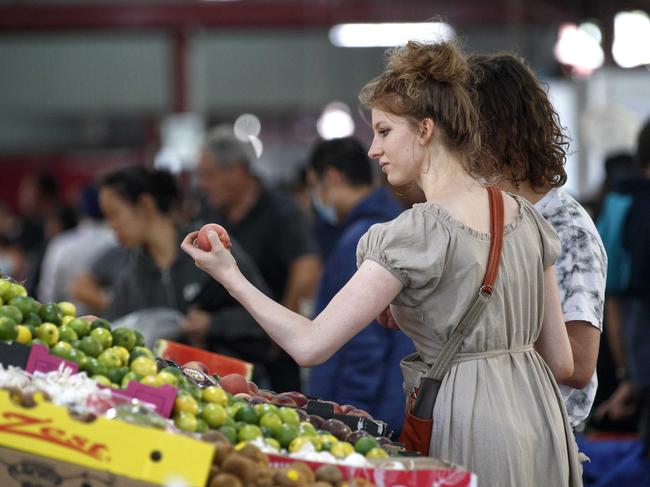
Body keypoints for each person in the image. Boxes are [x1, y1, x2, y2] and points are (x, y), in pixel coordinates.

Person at [182, 40, 581, 486]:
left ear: (426, 129)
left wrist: (228, 274)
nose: (373, 149)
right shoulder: (525, 216)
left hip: (470, 424)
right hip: (543, 420)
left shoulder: (414, 234)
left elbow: (311, 345)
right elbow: (562, 363)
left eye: (385, 131)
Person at [468, 53, 607, 430]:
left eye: (463, 129)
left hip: (539, 434)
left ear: (495, 133)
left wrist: (477, 343)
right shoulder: (482, 217)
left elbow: (577, 364)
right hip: (487, 424)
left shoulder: (567, 229)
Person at [98, 165, 271, 364]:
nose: (111, 225)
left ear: (145, 204)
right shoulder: (132, 274)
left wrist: (213, 323)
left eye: (114, 214)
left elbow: (262, 314)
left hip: (235, 381)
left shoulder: (208, 246)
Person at [196, 126, 322, 392]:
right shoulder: (209, 212)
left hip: (271, 356)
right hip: (223, 349)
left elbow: (307, 268)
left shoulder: (281, 212)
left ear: (237, 171)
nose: (203, 185)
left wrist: (279, 332)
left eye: (209, 175)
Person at [305, 136, 415, 435]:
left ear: (331, 178)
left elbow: (363, 344)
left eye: (313, 187)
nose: (312, 199)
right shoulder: (394, 225)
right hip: (395, 400)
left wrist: (348, 416)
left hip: (368, 412)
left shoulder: (360, 240)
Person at [594, 118, 650, 455]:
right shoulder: (630, 205)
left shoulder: (618, 204)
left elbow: (610, 296)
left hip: (630, 351)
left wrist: (627, 373)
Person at [37, 185, 116, 315]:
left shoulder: (61, 244)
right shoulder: (120, 240)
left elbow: (47, 295)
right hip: (115, 324)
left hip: (66, 324)